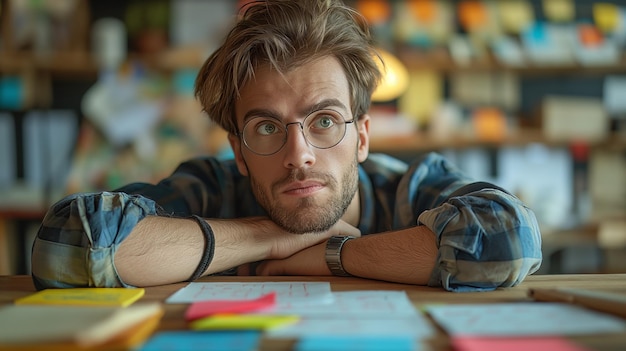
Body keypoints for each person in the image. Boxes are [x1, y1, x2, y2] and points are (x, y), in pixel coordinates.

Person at [31, 0, 542, 292]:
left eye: (324, 121)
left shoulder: (409, 189)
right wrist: (265, 237)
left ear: (362, 136)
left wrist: (335, 255)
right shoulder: (211, 187)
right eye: (267, 128)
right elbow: (67, 245)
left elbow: (509, 240)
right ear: (238, 148)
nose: (299, 154)